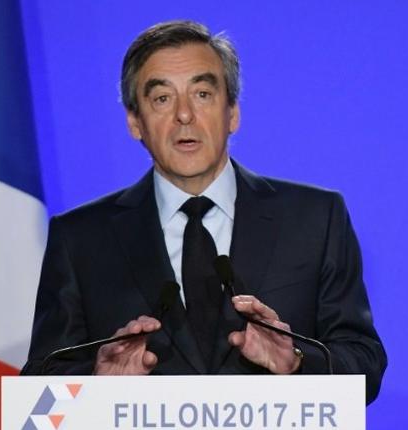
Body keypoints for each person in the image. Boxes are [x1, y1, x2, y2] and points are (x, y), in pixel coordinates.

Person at [22, 20, 387, 404]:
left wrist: (295, 359)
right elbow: (37, 391)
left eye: (202, 93)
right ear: (134, 122)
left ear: (232, 113)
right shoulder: (80, 238)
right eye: (161, 98)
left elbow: (365, 366)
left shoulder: (315, 219)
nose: (184, 115)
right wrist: (95, 380)